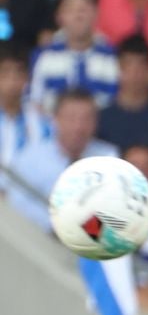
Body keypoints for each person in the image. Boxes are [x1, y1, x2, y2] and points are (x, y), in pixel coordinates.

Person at [6, 86, 112, 228]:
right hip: (39, 240)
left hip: (94, 244)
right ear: (55, 119)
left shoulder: (110, 158)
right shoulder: (30, 158)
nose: (78, 127)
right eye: (71, 118)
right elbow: (17, 205)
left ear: (96, 122)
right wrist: (62, 225)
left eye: (86, 119)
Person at [28, 0, 116, 106]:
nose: (78, 15)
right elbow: (34, 102)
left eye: (84, 9)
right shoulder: (42, 57)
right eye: (70, 9)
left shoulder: (113, 58)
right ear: (59, 17)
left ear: (97, 13)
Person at [0, 45, 51, 170]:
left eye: (19, 74)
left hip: (31, 187)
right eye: (5, 74)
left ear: (27, 78)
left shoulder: (42, 121)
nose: (12, 82)